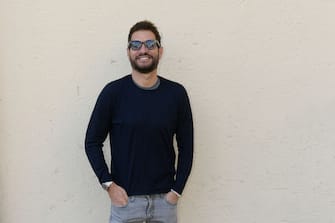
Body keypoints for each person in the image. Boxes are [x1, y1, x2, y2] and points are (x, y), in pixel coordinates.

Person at [85, 20, 194, 223]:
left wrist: (176, 191)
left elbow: (186, 147)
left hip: (165, 203)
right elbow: (92, 142)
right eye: (136, 45)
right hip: (126, 202)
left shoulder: (176, 94)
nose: (143, 50)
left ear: (160, 51)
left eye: (150, 44)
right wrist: (108, 184)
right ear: (128, 52)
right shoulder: (113, 93)